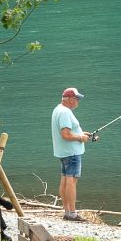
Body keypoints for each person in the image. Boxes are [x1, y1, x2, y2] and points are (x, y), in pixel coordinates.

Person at [51, 88, 97, 218]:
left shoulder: (58, 109)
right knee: (71, 181)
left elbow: (68, 132)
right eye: (77, 99)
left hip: (63, 152)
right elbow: (65, 134)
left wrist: (82, 134)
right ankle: (72, 213)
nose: (78, 102)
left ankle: (67, 211)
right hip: (71, 153)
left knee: (65, 180)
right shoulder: (65, 112)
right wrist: (80, 138)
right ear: (70, 99)